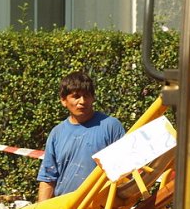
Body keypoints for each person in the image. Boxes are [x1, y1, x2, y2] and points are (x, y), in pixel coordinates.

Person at [36, 72, 125, 201]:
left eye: (86, 96)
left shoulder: (111, 127)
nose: (82, 101)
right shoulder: (56, 133)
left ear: (93, 98)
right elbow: (48, 178)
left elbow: (124, 173)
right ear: (63, 100)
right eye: (76, 96)